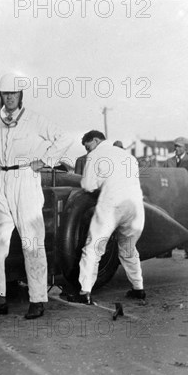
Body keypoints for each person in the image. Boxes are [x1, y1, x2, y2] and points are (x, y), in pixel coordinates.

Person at [0, 73, 71, 319]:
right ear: (1, 96)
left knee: (31, 241)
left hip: (25, 180)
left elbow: (64, 138)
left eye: (14, 94)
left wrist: (45, 161)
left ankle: (37, 299)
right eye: (6, 94)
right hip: (2, 182)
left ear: (21, 95)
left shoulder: (34, 120)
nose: (10, 98)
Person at [67, 130, 146, 304]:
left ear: (95, 141)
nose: (87, 150)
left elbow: (88, 185)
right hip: (135, 207)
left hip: (112, 205)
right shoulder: (129, 157)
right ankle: (138, 289)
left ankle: (84, 292)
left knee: (93, 248)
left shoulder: (96, 155)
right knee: (129, 249)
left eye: (87, 146)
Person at [161, 137, 188, 259]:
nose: (176, 148)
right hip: (171, 199)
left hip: (186, 199)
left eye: (179, 146)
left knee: (187, 223)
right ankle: (168, 250)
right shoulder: (168, 162)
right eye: (175, 146)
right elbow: (163, 177)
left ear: (185, 147)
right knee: (169, 223)